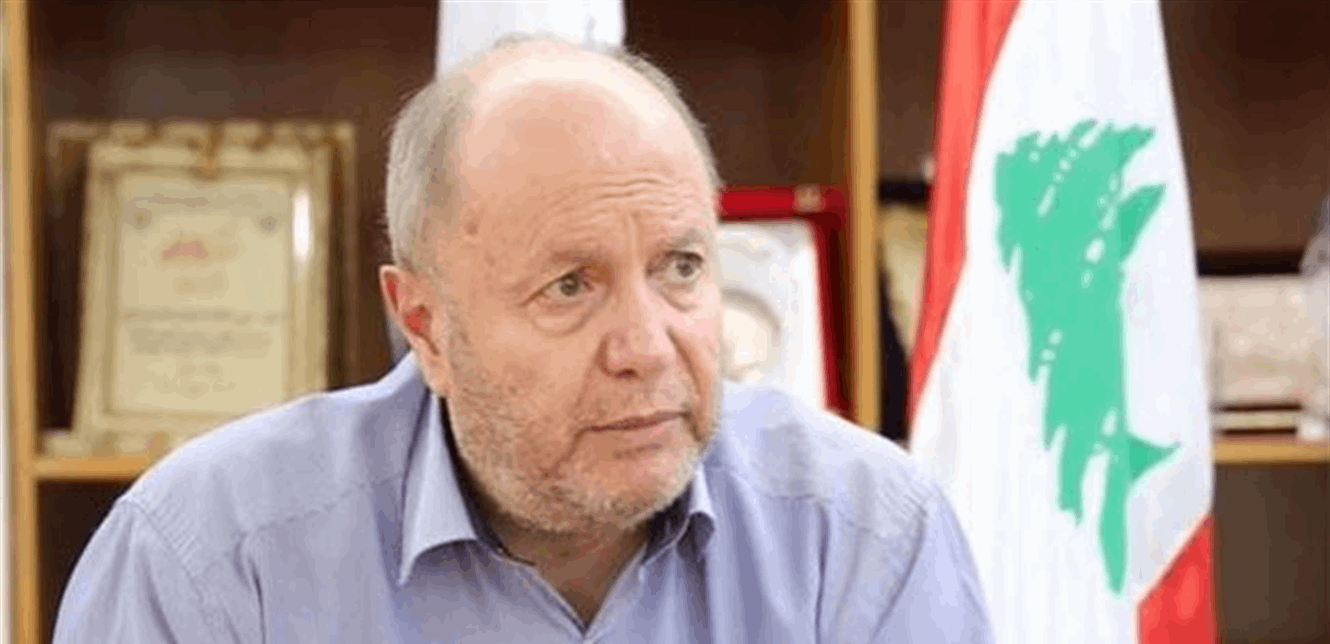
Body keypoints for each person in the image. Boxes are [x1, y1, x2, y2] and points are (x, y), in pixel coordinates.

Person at [53, 34, 993, 642]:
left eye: (681, 268)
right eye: (569, 287)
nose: (647, 347)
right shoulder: (212, 556)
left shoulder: (865, 534)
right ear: (424, 326)